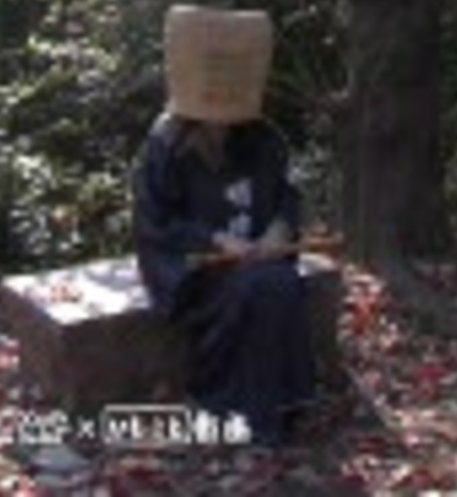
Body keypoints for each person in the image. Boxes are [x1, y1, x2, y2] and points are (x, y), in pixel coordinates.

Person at [132, 111, 318, 447]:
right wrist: (216, 240)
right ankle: (236, 404)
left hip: (259, 258)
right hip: (199, 268)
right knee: (254, 288)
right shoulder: (166, 145)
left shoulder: (262, 135)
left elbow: (287, 195)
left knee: (282, 282)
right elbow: (157, 223)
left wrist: (278, 230)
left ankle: (287, 402)